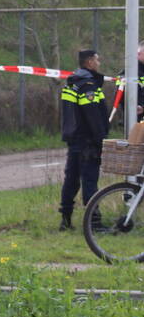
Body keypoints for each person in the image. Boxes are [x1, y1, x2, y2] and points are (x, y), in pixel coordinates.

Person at [59, 49, 109, 231]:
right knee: (89, 181)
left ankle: (65, 220)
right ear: (89, 62)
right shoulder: (88, 85)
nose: (99, 63)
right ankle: (94, 223)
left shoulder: (72, 83)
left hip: (74, 140)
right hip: (88, 141)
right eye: (97, 60)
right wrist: (101, 140)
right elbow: (93, 116)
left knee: (71, 181)